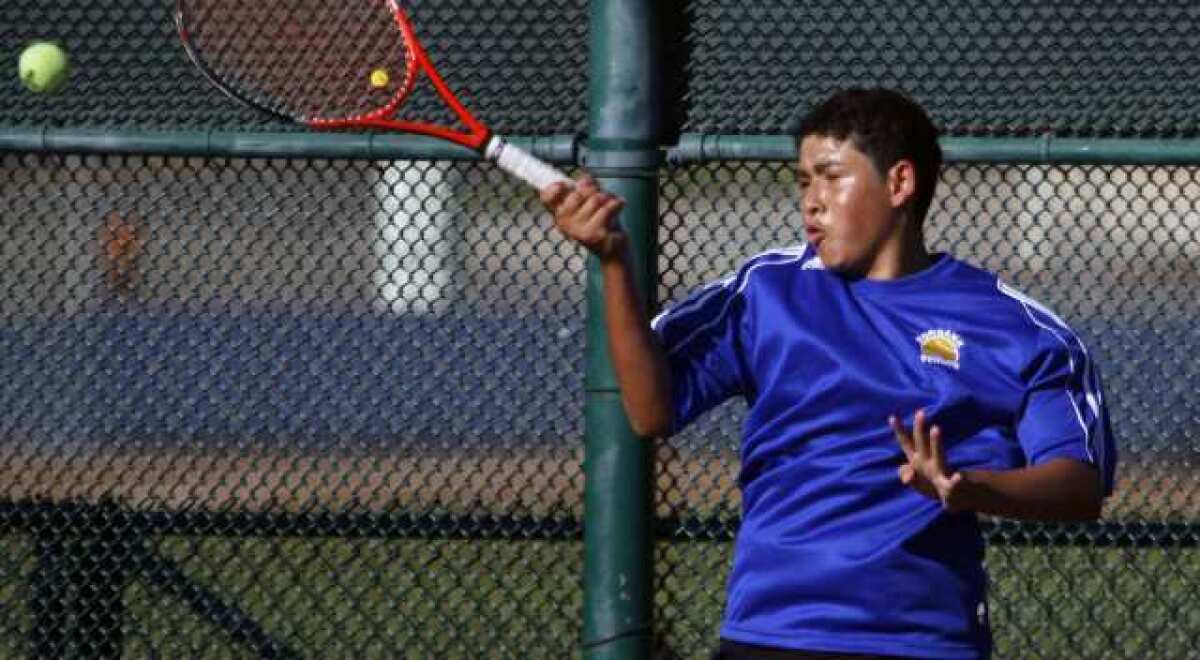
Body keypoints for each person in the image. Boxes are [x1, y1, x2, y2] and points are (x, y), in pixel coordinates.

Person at [540, 88, 1117, 659]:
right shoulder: (765, 291)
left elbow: (1080, 485)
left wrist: (968, 488)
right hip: (769, 633)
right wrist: (613, 261)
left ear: (899, 184)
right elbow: (649, 409)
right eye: (802, 181)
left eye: (831, 177)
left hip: (926, 641)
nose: (811, 201)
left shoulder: (1016, 328)